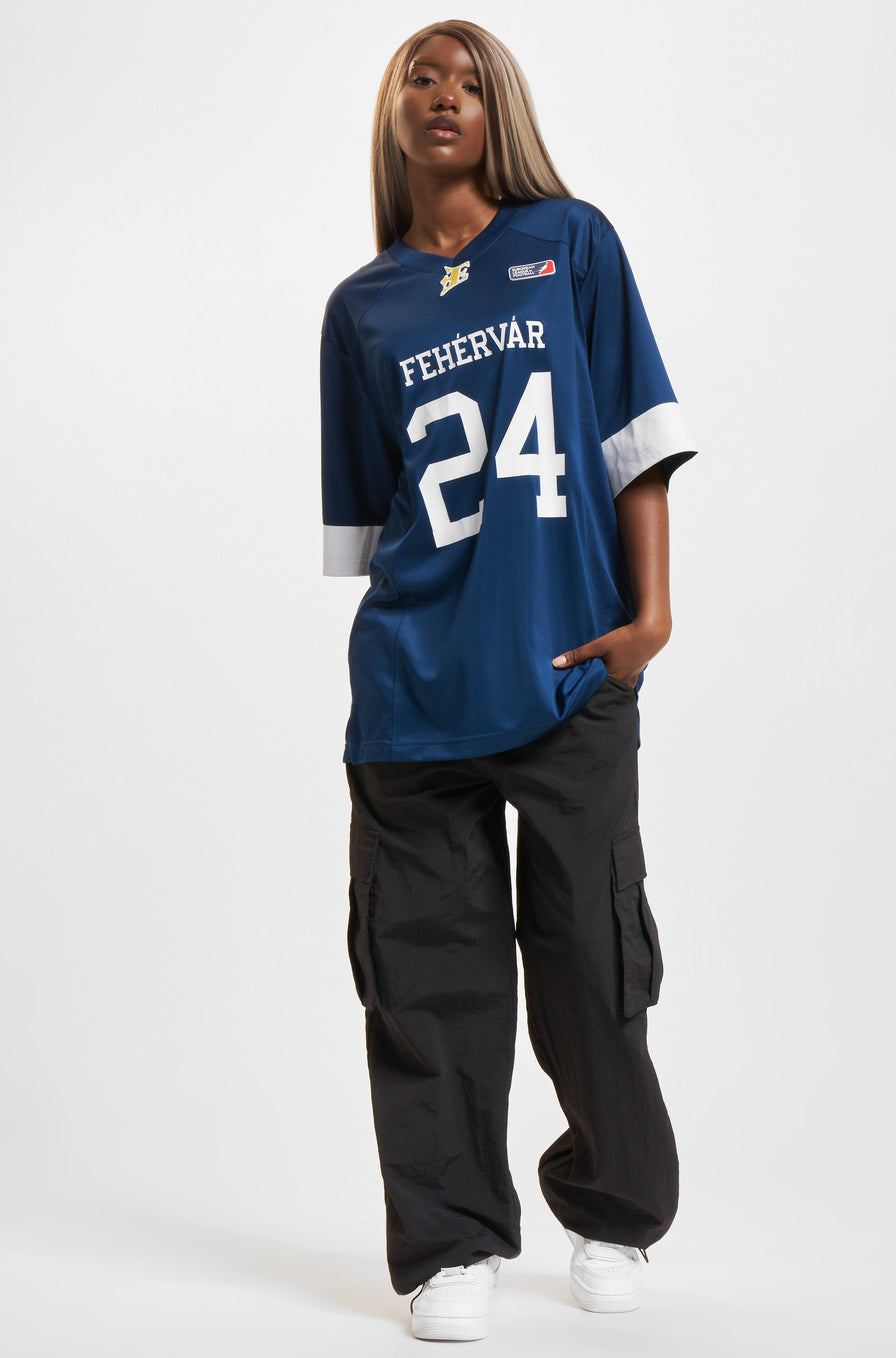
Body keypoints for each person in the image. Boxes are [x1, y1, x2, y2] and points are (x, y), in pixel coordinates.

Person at [320, 19, 698, 1342]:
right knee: (427, 975)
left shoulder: (571, 244)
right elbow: (372, 531)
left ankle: (613, 1210)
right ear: (393, 111)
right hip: (414, 691)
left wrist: (648, 617)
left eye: (470, 81)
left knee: (592, 953)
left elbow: (635, 439)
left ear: (502, 112)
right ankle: (451, 1241)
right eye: (421, 76)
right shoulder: (359, 308)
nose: (445, 95)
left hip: (568, 668)